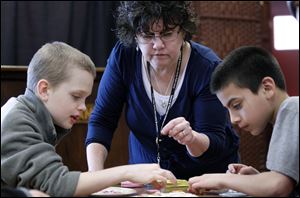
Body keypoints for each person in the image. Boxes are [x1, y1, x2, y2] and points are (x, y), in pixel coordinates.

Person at [86, 1, 240, 180]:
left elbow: (214, 140)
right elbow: (102, 120)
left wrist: (192, 138)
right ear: (135, 35)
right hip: (147, 177)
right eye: (147, 35)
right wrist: (94, 176)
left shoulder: (206, 67)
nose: (157, 44)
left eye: (167, 34)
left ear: (183, 32)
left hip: (204, 178)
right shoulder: (124, 57)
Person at [1, 41, 176, 197]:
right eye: (76, 96)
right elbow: (58, 185)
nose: (83, 107)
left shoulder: (29, 115)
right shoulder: (17, 121)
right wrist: (129, 172)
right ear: (44, 89)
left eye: (85, 99)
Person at [188, 46, 299, 197]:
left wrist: (224, 179)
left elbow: (278, 187)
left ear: (267, 88)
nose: (233, 119)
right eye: (228, 110)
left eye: (237, 105)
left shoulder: (292, 108)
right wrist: (257, 180)